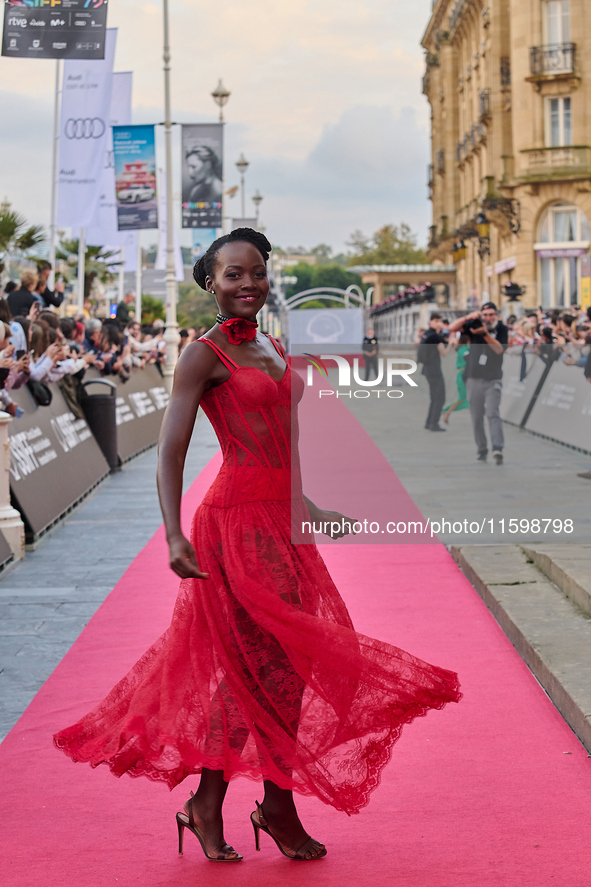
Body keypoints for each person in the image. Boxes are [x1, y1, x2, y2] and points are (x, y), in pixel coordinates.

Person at [54, 228, 461, 862]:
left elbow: (288, 442)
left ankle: (250, 802)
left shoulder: (274, 344)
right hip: (234, 522)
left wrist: (310, 505)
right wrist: (172, 531)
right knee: (254, 666)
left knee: (287, 668)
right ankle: (248, 804)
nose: (247, 284)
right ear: (210, 284)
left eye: (257, 273)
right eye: (233, 275)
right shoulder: (202, 354)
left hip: (283, 524)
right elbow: (170, 449)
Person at [448, 302, 508, 464]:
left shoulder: (501, 329)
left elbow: (499, 349)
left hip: (492, 379)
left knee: (492, 413)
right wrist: (469, 317)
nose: (488, 318)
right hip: (473, 377)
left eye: (491, 314)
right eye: (485, 314)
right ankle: (481, 449)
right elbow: (452, 328)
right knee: (476, 417)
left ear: (496, 314)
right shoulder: (474, 325)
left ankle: (497, 448)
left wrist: (485, 334)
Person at [419, 312, 452, 431]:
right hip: (434, 370)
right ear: (431, 322)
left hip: (428, 369)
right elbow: (444, 352)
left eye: (440, 322)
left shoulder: (427, 334)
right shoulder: (434, 336)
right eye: (436, 322)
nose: (439, 324)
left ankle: (429, 422)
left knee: (434, 397)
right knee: (440, 397)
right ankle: (434, 423)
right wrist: (452, 343)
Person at [442, 333, 470, 424]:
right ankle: (447, 411)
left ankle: (447, 411)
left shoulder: (462, 349)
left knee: (465, 398)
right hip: (463, 375)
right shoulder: (465, 349)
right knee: (462, 398)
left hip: (464, 375)